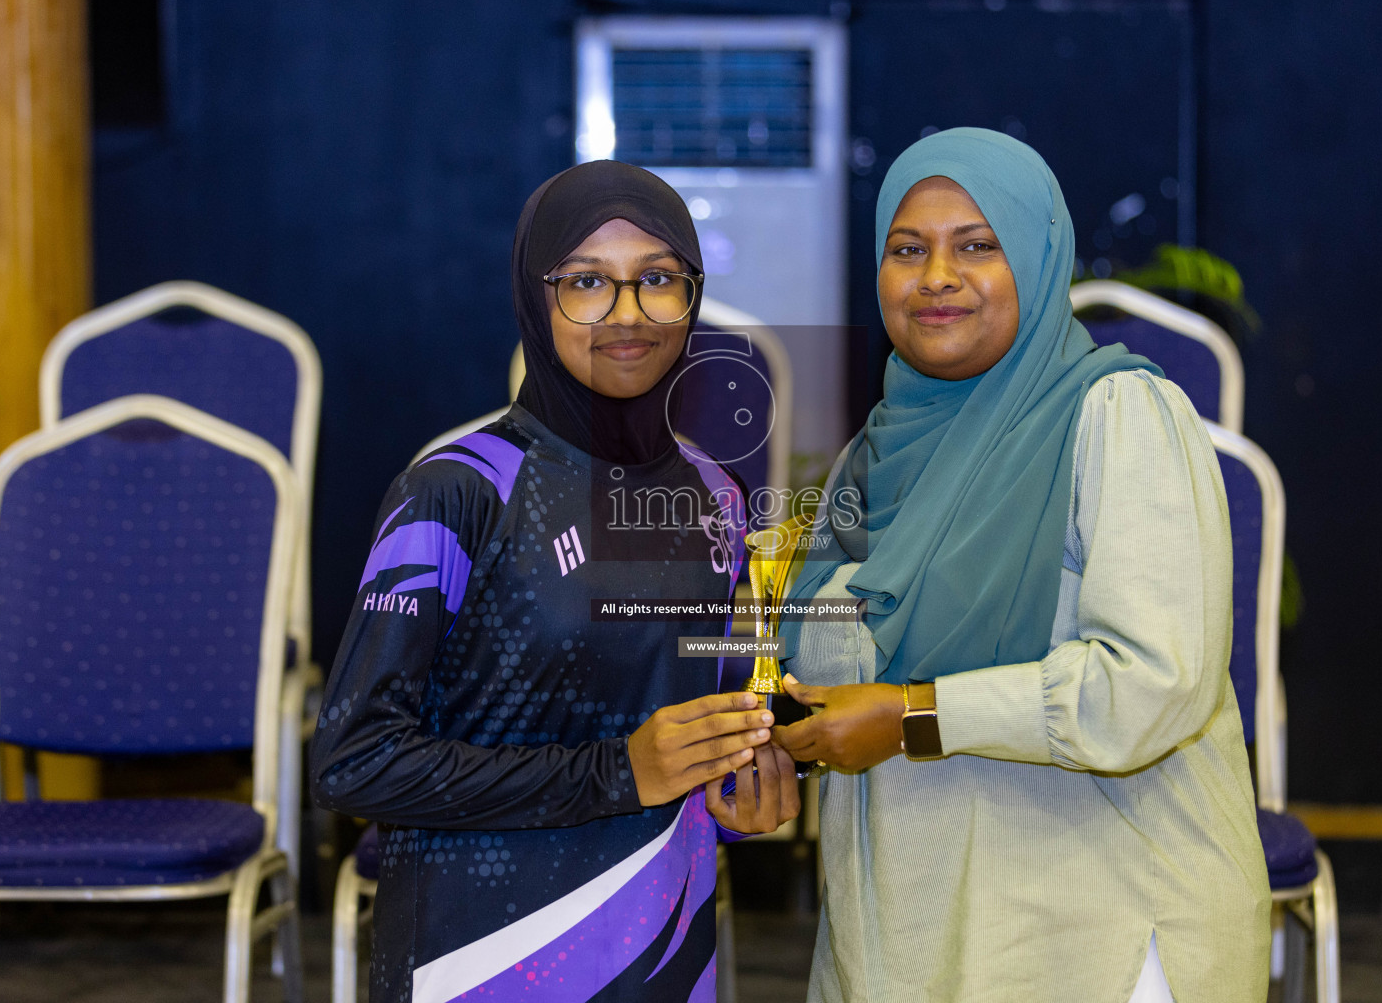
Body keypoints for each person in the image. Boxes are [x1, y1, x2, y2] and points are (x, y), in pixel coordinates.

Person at [773, 128, 1271, 1002]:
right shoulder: (874, 457)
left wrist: (917, 716)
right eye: (907, 249)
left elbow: (1150, 686)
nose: (936, 277)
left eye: (977, 246)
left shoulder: (1121, 417)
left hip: (1097, 933)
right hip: (914, 932)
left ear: (1041, 265)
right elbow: (819, 663)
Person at [311, 159, 798, 1003]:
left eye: (657, 279)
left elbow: (711, 714)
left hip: (664, 939)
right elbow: (354, 762)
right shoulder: (458, 489)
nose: (627, 314)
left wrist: (746, 787)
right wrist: (615, 772)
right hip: (484, 951)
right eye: (586, 282)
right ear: (538, 298)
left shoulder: (719, 498)